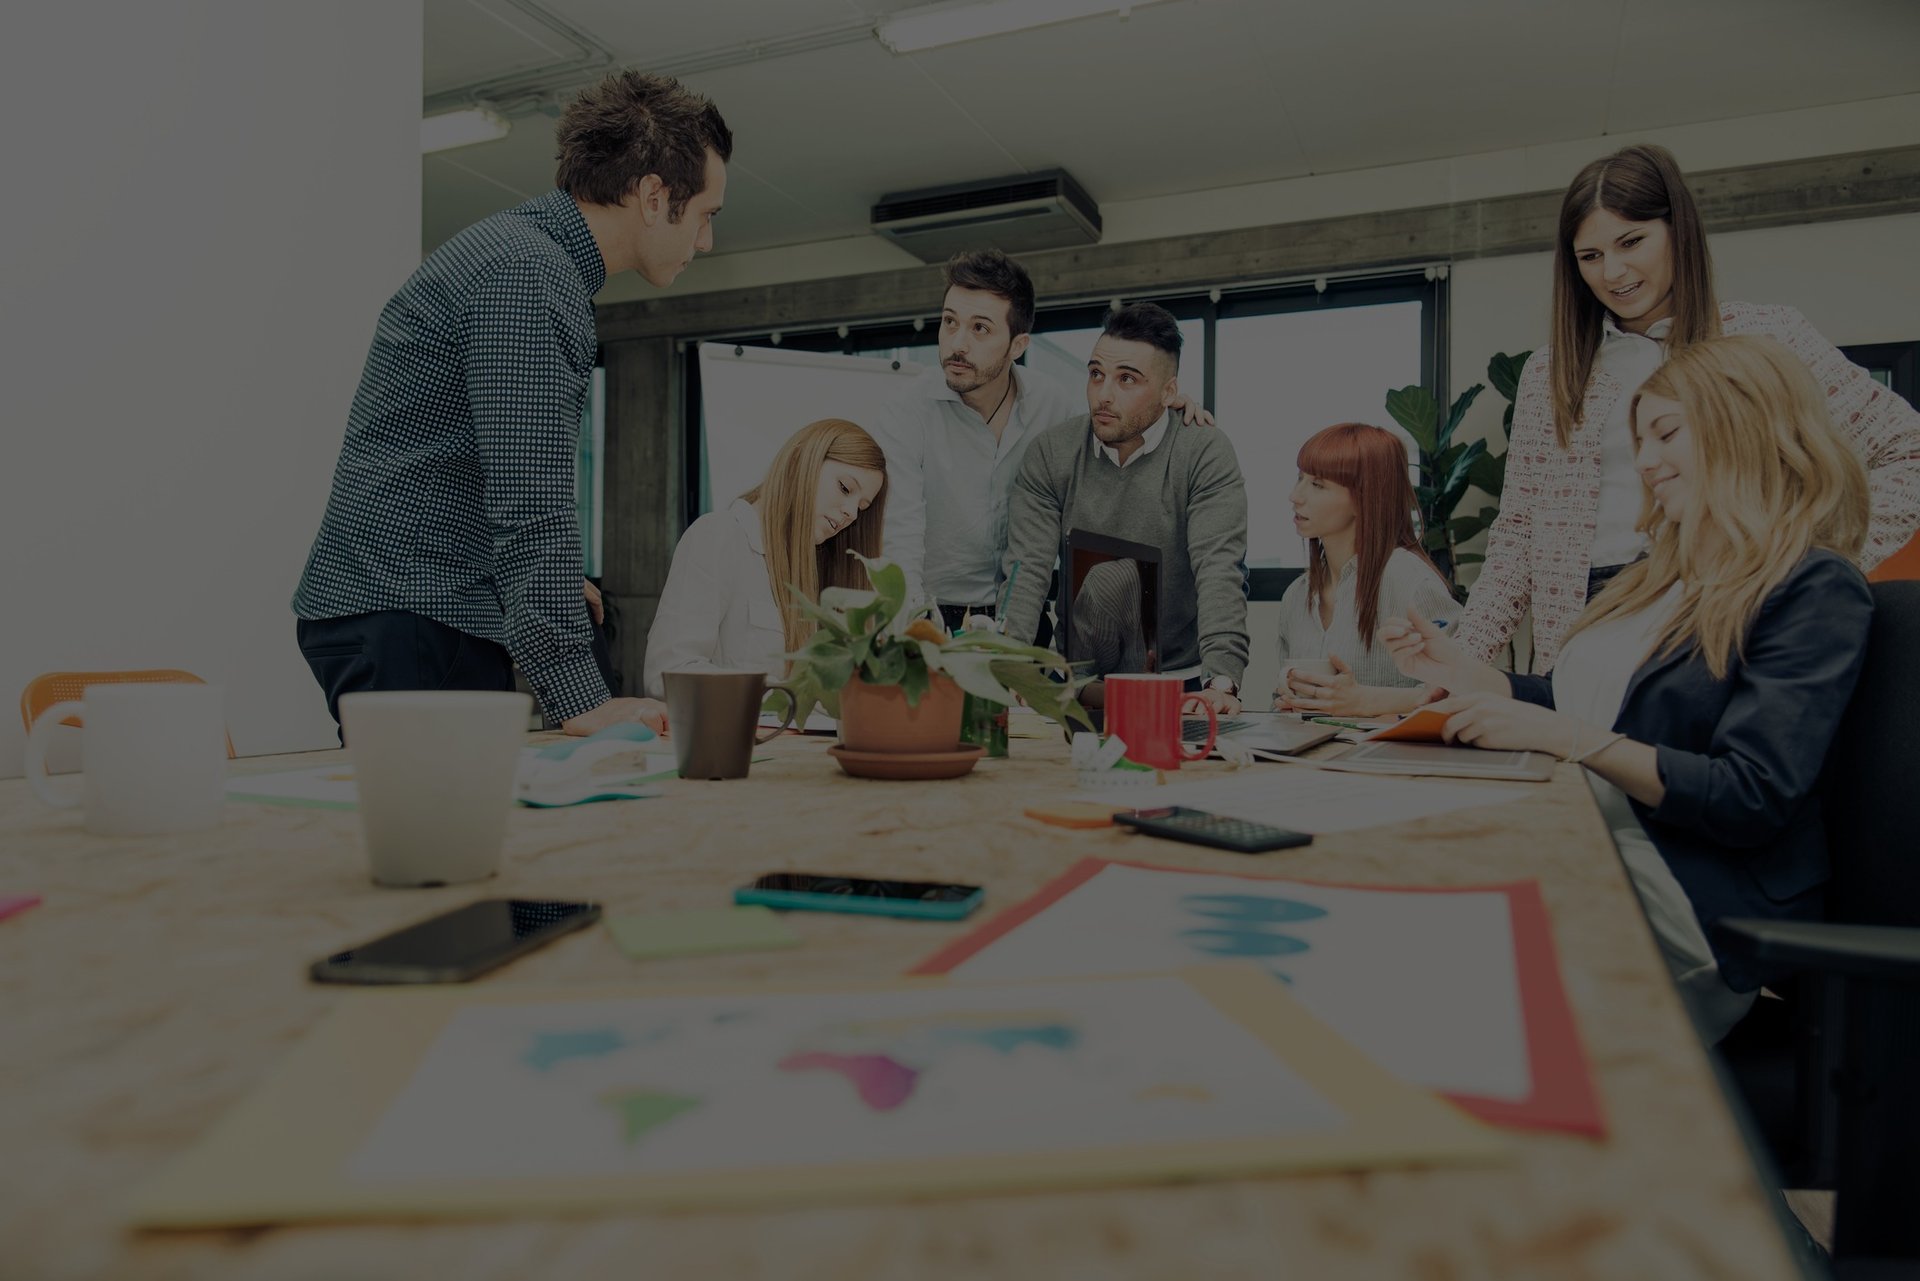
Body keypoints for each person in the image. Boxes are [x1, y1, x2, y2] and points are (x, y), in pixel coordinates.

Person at [1383, 335, 1873, 1042]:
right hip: (1592, 845)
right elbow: (1580, 701)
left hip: (1688, 896)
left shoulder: (1813, 586)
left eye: (1666, 434)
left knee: (1441, 980)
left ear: (1745, 428)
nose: (1645, 463)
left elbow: (1751, 794)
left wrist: (1572, 741)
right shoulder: (1656, 576)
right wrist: (1462, 672)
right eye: (1638, 441)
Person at [292, 71, 733, 737]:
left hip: (420, 604)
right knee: (437, 837)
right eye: (705, 217)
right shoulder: (528, 273)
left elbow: (472, 464)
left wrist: (538, 585)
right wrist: (581, 698)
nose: (705, 243)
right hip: (410, 611)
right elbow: (531, 498)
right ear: (653, 196)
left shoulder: (523, 255)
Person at [1455, 142, 1920, 673]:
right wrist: (1459, 666)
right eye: (1591, 256)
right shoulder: (1551, 372)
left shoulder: (1766, 336)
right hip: (1582, 619)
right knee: (1576, 754)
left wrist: (1815, 561)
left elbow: (1909, 450)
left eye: (1632, 242)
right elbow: (1517, 536)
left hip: (1722, 602)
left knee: (1693, 758)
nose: (1613, 272)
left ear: (1678, 229)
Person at [873, 250, 1211, 633]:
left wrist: (1162, 407)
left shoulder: (1052, 404)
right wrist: (912, 630)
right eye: (950, 322)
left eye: (980, 328)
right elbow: (899, 533)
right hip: (931, 613)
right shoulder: (905, 412)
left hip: (1024, 611)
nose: (957, 344)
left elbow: (1114, 431)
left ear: (1018, 345)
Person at [1001, 303, 1249, 715]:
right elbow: (1026, 571)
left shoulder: (1203, 451)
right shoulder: (1052, 453)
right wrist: (1008, 664)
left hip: (1179, 683)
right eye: (1096, 374)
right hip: (1076, 682)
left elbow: (1219, 568)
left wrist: (1221, 681)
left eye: (1127, 379)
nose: (1104, 394)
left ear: (1169, 392)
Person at [643, 419, 887, 696]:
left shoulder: (828, 567)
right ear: (800, 461)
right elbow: (668, 673)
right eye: (845, 488)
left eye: (862, 507)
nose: (851, 513)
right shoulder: (719, 536)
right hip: (733, 737)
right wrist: (779, 697)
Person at [1272, 424, 1459, 716]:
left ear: (1364, 497)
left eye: (1318, 485)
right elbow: (1284, 698)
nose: (1295, 496)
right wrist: (1288, 704)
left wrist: (1365, 702)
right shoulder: (1296, 596)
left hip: (1390, 759)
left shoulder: (1411, 583)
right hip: (1311, 756)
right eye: (1300, 479)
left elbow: (1464, 691)